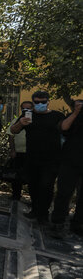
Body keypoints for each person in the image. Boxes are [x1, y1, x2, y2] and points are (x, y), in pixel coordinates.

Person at [11, 91, 65, 223]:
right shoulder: (27, 115)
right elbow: (14, 130)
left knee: (46, 185)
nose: (40, 104)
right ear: (33, 102)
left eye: (43, 102)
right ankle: (35, 210)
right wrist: (21, 123)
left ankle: (43, 214)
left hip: (52, 159)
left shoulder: (57, 116)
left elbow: (65, 131)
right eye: (37, 102)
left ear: (48, 102)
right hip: (32, 158)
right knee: (33, 185)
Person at [51, 99, 83, 236]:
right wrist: (76, 113)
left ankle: (78, 224)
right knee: (64, 193)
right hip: (70, 161)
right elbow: (63, 127)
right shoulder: (75, 117)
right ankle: (58, 222)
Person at [7, 101, 33, 200]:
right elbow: (11, 135)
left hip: (32, 154)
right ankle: (16, 195)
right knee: (16, 176)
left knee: (31, 176)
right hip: (18, 153)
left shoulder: (36, 121)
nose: (26, 111)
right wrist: (12, 150)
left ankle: (33, 198)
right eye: (24, 109)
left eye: (29, 109)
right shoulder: (16, 121)